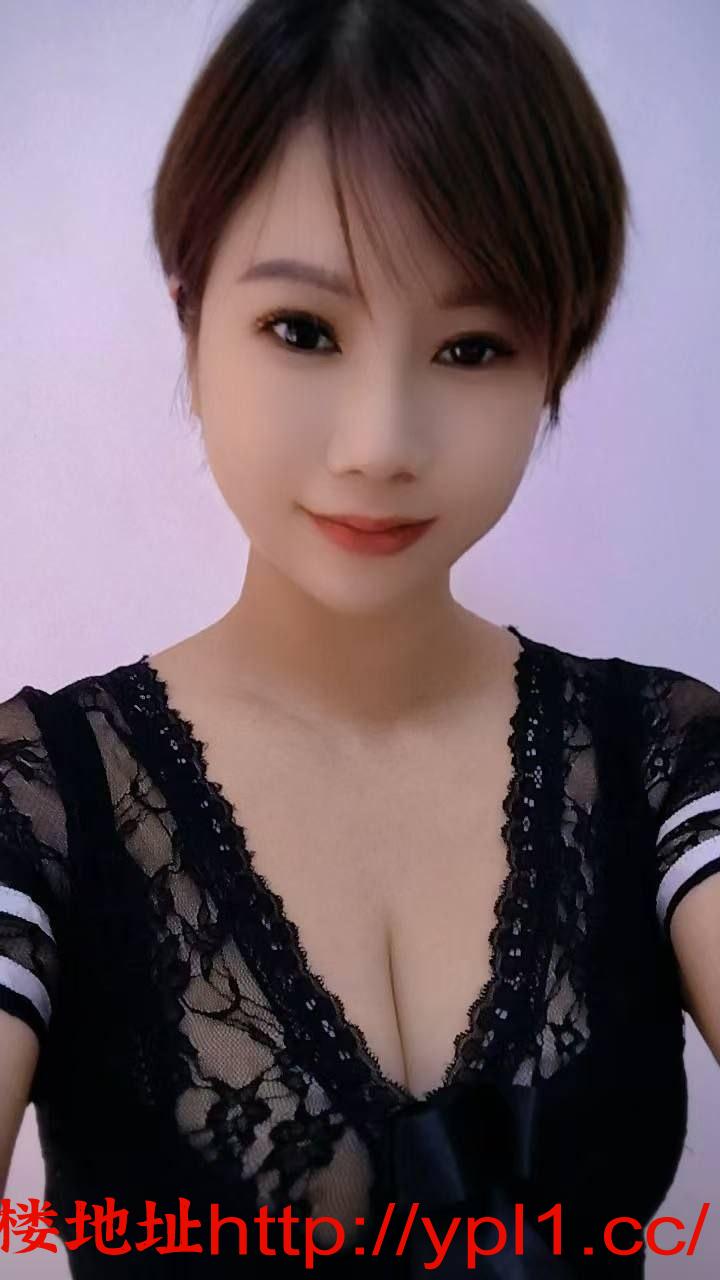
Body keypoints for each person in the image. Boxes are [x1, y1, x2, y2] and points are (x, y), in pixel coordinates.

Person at [1, 0, 718, 1275]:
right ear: (191, 313)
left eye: (471, 346)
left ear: (554, 360)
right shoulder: (42, 799)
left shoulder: (663, 759)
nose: (381, 441)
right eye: (305, 330)